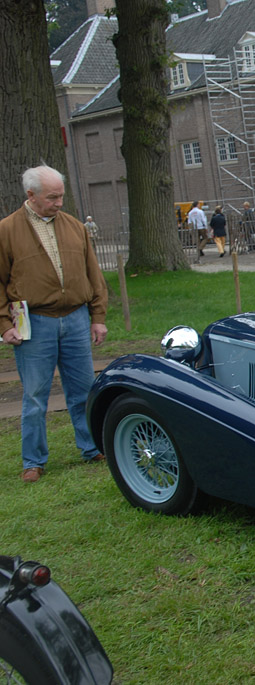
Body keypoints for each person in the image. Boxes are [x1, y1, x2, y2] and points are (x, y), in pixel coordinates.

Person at [0, 165, 108, 483]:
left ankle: (92, 447)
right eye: (52, 197)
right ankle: (33, 460)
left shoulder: (76, 227)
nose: (59, 202)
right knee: (35, 394)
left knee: (83, 390)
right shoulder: (7, 231)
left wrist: (97, 317)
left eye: (61, 195)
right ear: (30, 195)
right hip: (34, 323)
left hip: (75, 320)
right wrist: (5, 324)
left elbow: (94, 275)